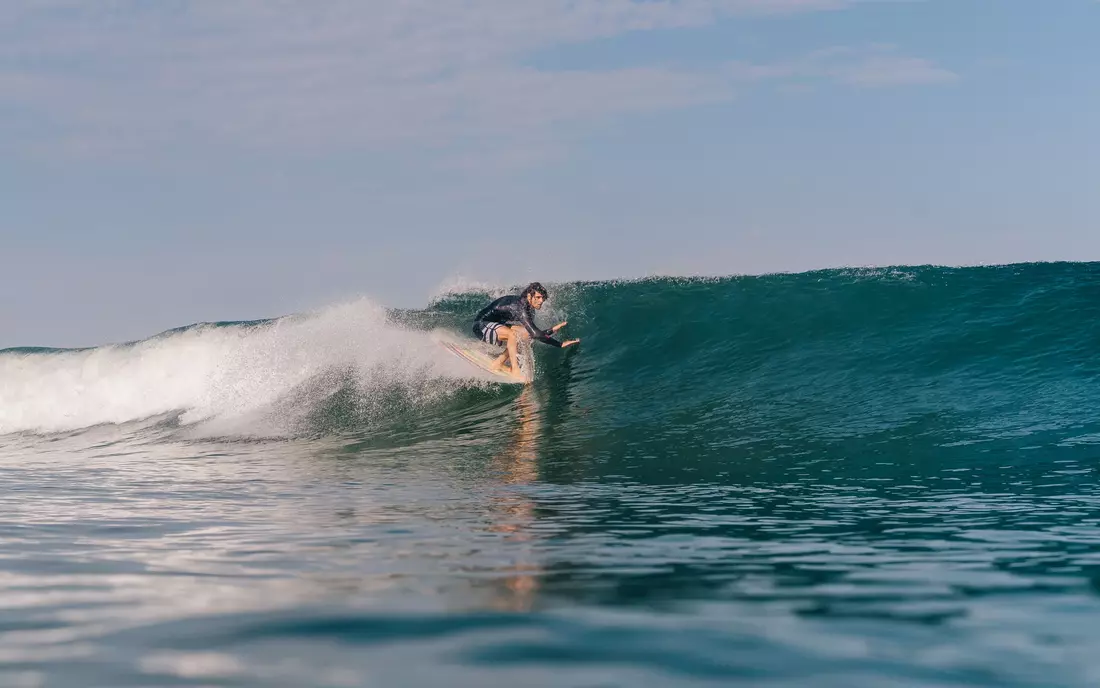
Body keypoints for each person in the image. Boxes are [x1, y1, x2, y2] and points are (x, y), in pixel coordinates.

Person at [472, 282, 579, 380]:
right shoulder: (520, 307)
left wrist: (551, 330)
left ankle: (498, 362)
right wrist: (559, 344)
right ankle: (515, 369)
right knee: (513, 335)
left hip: (496, 325)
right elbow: (536, 334)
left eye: (543, 298)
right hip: (481, 325)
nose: (541, 301)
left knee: (524, 334)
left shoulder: (529, 309)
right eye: (538, 297)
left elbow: (532, 334)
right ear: (529, 296)